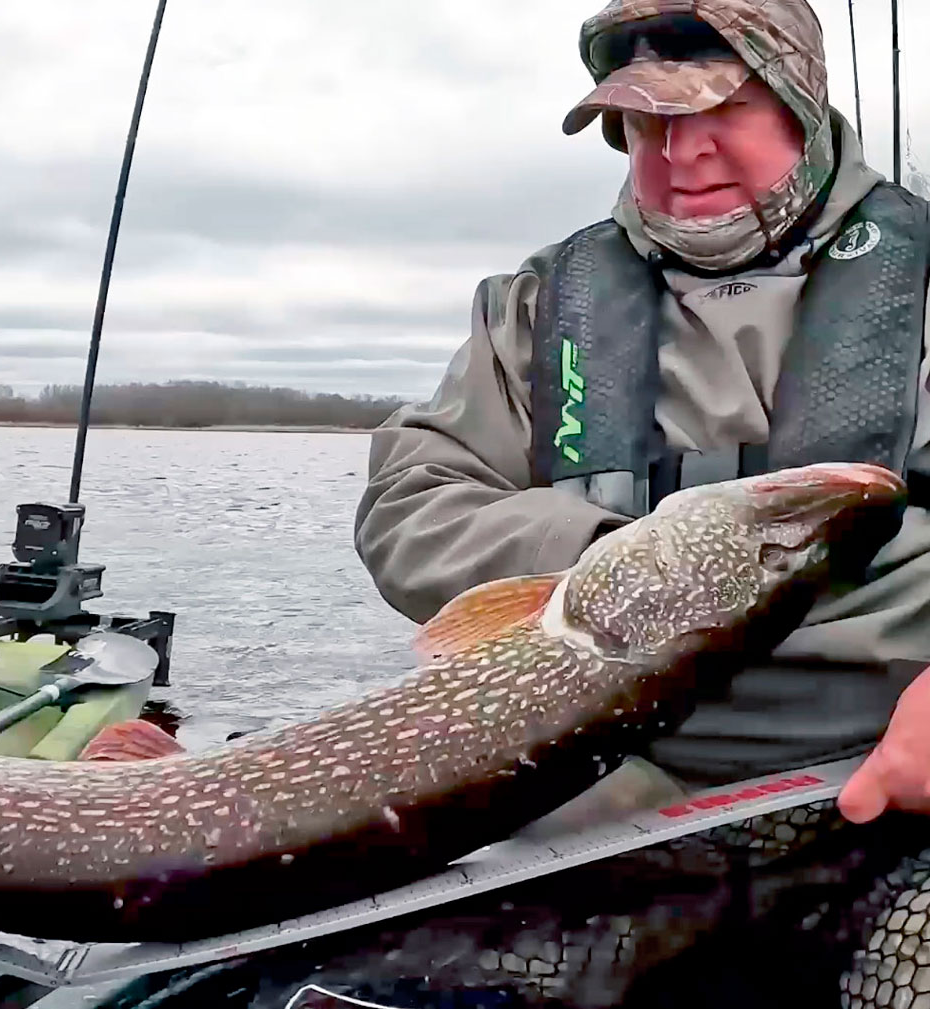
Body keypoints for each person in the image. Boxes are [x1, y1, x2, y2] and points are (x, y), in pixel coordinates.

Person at [354, 0, 930, 825]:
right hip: (598, 759)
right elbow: (410, 506)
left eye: (723, 108)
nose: (681, 153)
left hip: (875, 753)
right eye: (643, 119)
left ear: (799, 103)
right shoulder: (539, 303)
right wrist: (621, 565)